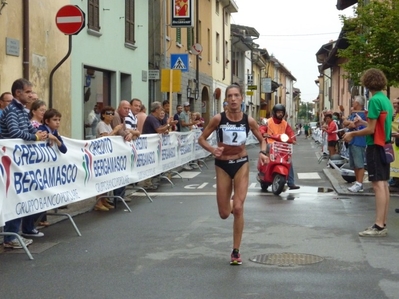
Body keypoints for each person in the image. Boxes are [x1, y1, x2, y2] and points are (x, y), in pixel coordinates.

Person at [198, 83, 268, 265]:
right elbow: (201, 139)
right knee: (224, 213)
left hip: (241, 163)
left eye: (237, 95)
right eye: (230, 96)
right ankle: (230, 201)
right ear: (226, 99)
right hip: (222, 165)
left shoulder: (249, 121)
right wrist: (213, 150)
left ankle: (236, 251)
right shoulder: (217, 119)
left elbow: (263, 140)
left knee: (238, 208)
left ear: (242, 98)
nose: (233, 99)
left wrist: (262, 153)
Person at [343, 68, 393, 237]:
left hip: (375, 145)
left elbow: (371, 130)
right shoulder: (385, 99)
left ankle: (378, 226)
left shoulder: (373, 101)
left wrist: (352, 133)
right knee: (384, 184)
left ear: (366, 83)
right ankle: (383, 222)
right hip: (385, 144)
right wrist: (362, 122)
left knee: (377, 185)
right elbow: (379, 124)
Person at [0, 78, 48, 249]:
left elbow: (29, 129)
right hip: (11, 162)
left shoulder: (22, 111)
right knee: (13, 197)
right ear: (18, 93)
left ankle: (15, 234)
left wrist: (41, 134)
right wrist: (35, 137)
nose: (31, 95)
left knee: (20, 196)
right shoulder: (12, 110)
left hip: (20, 161)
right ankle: (11, 236)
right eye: (27, 92)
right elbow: (14, 133)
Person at [261, 104, 300, 190]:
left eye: (281, 112)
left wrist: (293, 139)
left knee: (289, 161)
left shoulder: (285, 124)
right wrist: (264, 133)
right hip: (271, 144)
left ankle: (291, 182)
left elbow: (290, 133)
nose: (280, 114)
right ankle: (264, 174)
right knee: (268, 158)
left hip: (282, 146)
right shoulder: (269, 121)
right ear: (274, 113)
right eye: (278, 112)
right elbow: (262, 128)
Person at [95, 106, 124, 211]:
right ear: (103, 115)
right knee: (101, 178)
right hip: (101, 154)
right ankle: (99, 201)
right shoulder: (101, 124)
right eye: (108, 113)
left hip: (107, 154)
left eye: (112, 113)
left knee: (107, 177)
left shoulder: (108, 125)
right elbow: (105, 138)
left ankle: (104, 199)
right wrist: (115, 130)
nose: (111, 115)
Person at [111, 100, 135, 201]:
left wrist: (130, 133)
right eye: (125, 108)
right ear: (119, 107)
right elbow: (119, 131)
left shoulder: (123, 117)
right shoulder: (116, 116)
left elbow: (124, 130)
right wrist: (127, 134)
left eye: (129, 109)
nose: (127, 110)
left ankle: (121, 195)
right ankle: (118, 196)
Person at [342, 95, 367, 193]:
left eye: (353, 102)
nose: (352, 103)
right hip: (352, 141)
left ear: (357, 103)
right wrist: (349, 122)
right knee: (355, 165)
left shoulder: (363, 114)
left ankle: (359, 183)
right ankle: (358, 183)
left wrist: (349, 122)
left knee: (359, 164)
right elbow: (345, 122)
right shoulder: (354, 113)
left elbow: (353, 124)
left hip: (359, 141)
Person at [179, 102, 200, 170]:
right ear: (184, 107)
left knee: (188, 148)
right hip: (184, 133)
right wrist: (191, 124)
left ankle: (188, 162)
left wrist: (191, 124)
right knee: (185, 148)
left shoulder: (188, 114)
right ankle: (184, 164)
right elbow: (183, 124)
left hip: (188, 133)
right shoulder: (182, 114)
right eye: (187, 106)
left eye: (189, 106)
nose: (188, 107)